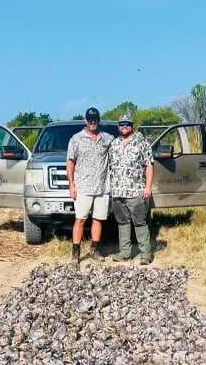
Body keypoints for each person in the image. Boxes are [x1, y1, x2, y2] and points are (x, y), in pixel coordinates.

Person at [66, 107, 113, 265]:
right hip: (83, 187)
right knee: (80, 220)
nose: (93, 122)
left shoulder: (107, 139)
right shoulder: (76, 139)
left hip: (102, 187)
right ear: (85, 120)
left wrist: (136, 135)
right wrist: (71, 184)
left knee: (98, 219)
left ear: (99, 120)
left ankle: (94, 250)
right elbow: (70, 162)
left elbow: (122, 143)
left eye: (96, 119)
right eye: (90, 119)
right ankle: (75, 253)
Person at [108, 112, 154, 265]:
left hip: (136, 191)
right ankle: (125, 253)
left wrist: (148, 187)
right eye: (122, 124)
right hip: (118, 191)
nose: (124, 126)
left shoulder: (142, 143)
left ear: (133, 126)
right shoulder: (113, 144)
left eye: (127, 124)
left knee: (140, 222)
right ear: (118, 127)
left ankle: (145, 254)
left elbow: (149, 165)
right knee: (122, 223)